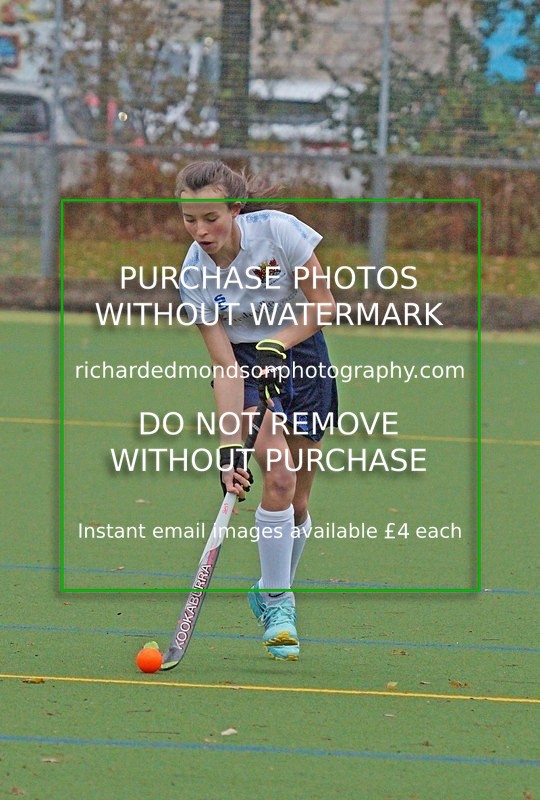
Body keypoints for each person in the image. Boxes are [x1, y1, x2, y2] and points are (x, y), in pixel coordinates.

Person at [176, 160, 338, 661]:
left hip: (301, 349)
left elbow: (324, 304)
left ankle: (269, 587)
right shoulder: (193, 276)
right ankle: (278, 602)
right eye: (189, 220)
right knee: (280, 482)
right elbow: (224, 365)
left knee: (299, 504)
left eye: (211, 218)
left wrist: (279, 342)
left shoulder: (280, 232)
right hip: (244, 362)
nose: (200, 231)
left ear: (235, 210)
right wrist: (229, 449)